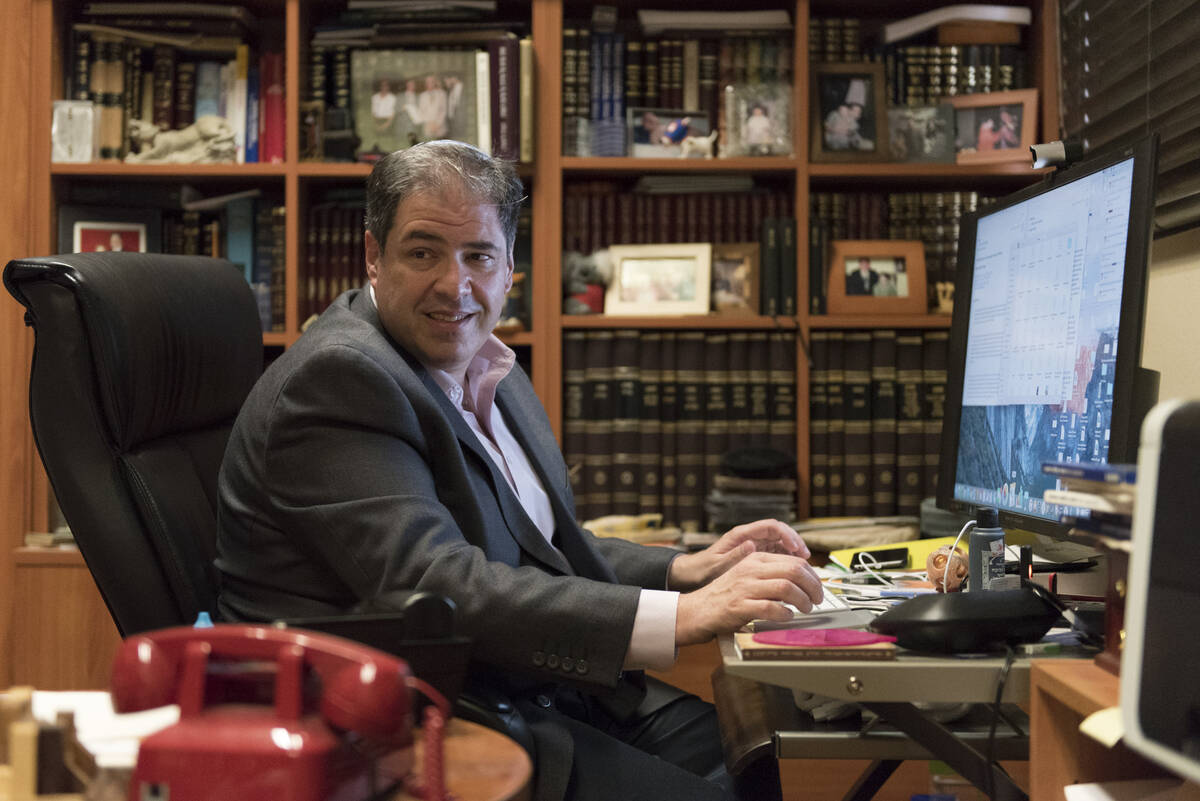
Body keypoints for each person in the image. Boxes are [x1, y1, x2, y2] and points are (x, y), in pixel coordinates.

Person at [215, 140, 823, 801]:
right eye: (423, 252)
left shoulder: (486, 365)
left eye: (478, 256)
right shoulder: (339, 381)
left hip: (523, 681)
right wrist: (683, 613)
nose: (456, 285)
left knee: (752, 754)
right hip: (416, 720)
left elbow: (533, 550)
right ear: (373, 255)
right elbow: (440, 588)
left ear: (510, 268)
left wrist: (682, 567)